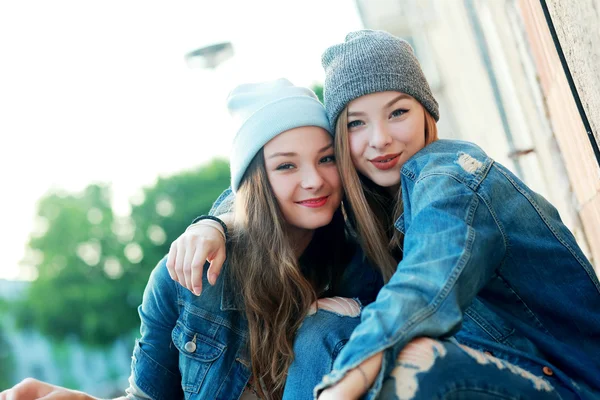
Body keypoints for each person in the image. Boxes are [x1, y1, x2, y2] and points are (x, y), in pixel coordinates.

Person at [167, 31, 600, 400]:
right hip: (497, 370)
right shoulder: (369, 210)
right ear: (339, 141)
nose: (380, 139)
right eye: (356, 124)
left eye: (398, 113)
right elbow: (265, 186)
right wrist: (217, 222)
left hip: (569, 383)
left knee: (411, 359)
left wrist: (343, 383)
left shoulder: (452, 178)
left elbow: (424, 286)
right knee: (321, 328)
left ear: (427, 112)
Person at [0, 79, 383, 400]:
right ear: (254, 182)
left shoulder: (362, 262)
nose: (314, 179)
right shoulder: (186, 277)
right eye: (286, 165)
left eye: (326, 158)